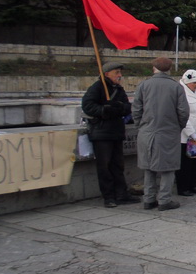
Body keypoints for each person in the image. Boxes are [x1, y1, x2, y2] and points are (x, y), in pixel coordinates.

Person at [132, 57, 189, 211]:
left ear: (154, 68)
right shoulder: (176, 87)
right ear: (169, 69)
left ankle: (148, 199)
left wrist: (141, 126)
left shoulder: (144, 85)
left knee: (148, 167)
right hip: (168, 132)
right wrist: (178, 127)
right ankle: (164, 200)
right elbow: (183, 112)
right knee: (168, 168)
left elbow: (136, 109)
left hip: (147, 131)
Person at [81, 61, 139, 208]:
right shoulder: (97, 88)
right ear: (107, 74)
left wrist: (118, 107)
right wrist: (103, 110)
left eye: (120, 73)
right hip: (101, 133)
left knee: (118, 165)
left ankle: (121, 193)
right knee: (104, 166)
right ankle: (109, 196)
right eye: (117, 73)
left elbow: (127, 107)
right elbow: (88, 106)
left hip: (116, 132)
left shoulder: (118, 89)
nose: (120, 76)